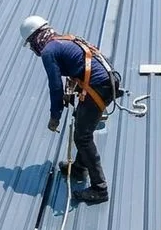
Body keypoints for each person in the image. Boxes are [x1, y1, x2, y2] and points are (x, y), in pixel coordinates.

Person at [21, 15, 118, 204]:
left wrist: (54, 116)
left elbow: (55, 86)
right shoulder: (63, 40)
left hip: (99, 86)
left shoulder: (49, 51)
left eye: (31, 45)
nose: (33, 50)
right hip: (105, 82)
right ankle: (80, 167)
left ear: (35, 38)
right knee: (82, 127)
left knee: (82, 136)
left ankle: (100, 189)